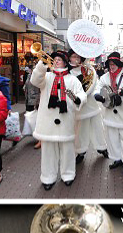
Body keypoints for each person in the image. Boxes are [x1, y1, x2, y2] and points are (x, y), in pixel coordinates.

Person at [31, 50, 86, 190]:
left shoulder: (72, 79)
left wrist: (77, 99)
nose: (56, 61)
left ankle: (68, 175)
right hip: (47, 122)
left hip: (66, 119)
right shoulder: (47, 76)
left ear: (65, 62)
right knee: (48, 151)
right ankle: (48, 177)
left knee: (67, 150)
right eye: (54, 59)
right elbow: (35, 80)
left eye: (59, 59)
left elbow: (81, 94)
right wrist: (42, 65)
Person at [94, 52, 123, 177]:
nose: (111, 66)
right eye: (110, 64)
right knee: (112, 139)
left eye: (114, 64)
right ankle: (117, 159)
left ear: (119, 64)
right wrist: (98, 95)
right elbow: (98, 87)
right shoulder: (105, 77)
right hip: (110, 115)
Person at [68, 49, 109, 165]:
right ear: (69, 58)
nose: (75, 59)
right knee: (81, 131)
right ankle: (81, 152)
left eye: (77, 56)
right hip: (80, 107)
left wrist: (96, 93)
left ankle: (102, 147)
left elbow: (96, 84)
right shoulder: (68, 73)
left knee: (98, 128)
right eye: (73, 56)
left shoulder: (89, 69)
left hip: (92, 105)